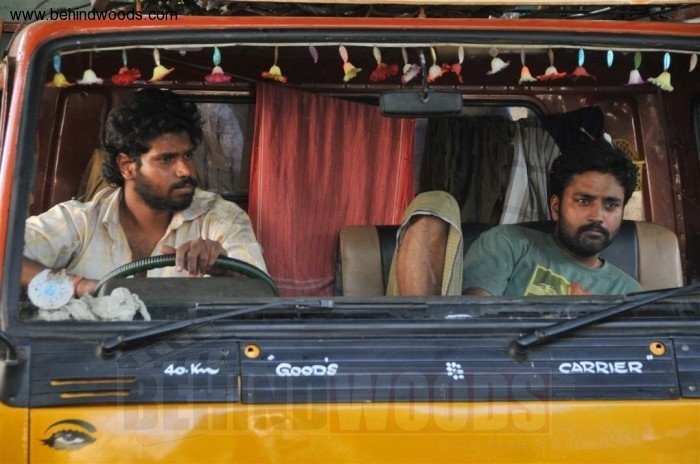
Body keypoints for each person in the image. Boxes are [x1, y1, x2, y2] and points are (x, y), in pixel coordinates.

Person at [21, 88, 266, 299]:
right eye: (166, 159)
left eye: (188, 155)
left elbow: (261, 293)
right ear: (127, 167)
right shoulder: (80, 222)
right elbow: (5, 258)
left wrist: (226, 269)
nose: (185, 170)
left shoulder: (221, 218)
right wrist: (76, 286)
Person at [388, 138, 643, 296]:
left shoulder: (631, 294)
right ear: (556, 207)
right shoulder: (507, 244)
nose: (597, 216)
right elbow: (474, 325)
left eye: (611, 205)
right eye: (584, 201)